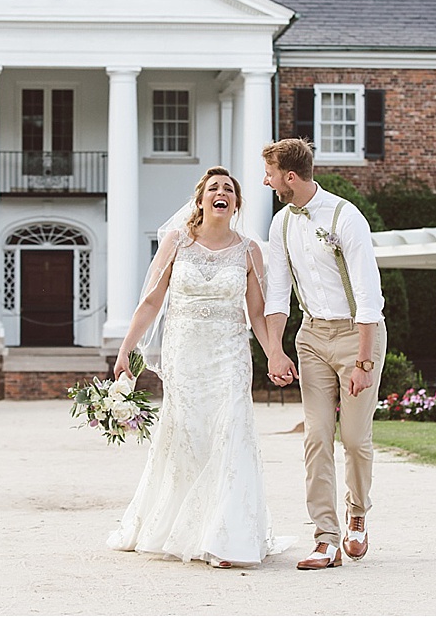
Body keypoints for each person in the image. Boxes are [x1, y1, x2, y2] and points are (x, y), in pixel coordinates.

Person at [108, 167, 291, 568]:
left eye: (229, 189)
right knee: (188, 435)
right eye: (214, 188)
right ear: (201, 200)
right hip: (185, 354)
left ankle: (226, 539)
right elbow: (151, 303)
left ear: (236, 204)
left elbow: (257, 314)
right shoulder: (176, 243)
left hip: (229, 354)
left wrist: (274, 353)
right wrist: (126, 350)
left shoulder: (248, 251)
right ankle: (181, 526)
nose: (221, 193)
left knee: (231, 434)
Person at [261, 138, 387, 571]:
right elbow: (277, 294)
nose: (267, 181)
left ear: (289, 177)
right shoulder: (280, 224)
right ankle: (326, 538)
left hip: (358, 334)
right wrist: (275, 351)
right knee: (316, 437)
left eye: (271, 174)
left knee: (354, 438)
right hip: (312, 336)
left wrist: (365, 361)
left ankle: (357, 513)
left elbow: (370, 296)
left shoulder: (344, 216)